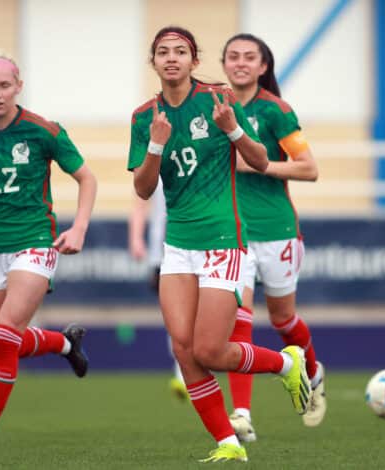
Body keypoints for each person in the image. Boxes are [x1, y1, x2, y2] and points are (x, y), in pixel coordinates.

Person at [128, 26, 311, 463]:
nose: (171, 58)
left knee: (211, 349)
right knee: (183, 349)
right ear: (153, 62)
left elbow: (262, 160)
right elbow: (142, 188)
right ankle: (228, 443)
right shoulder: (143, 117)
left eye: (181, 52)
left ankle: (287, 365)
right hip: (178, 245)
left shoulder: (219, 100)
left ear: (195, 60)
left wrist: (232, 129)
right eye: (163, 52)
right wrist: (156, 143)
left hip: (224, 241)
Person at [0, 50, 98, 448]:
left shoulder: (42, 131)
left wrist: (79, 227)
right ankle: (66, 344)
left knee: (7, 333)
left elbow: (87, 178)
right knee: (1, 341)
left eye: (4, 85)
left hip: (33, 244)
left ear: (18, 87)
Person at [219, 33, 324, 442]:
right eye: (233, 57)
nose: (241, 63)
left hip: (277, 230)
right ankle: (241, 414)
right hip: (233, 234)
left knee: (283, 320)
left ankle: (313, 377)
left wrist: (258, 167)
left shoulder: (276, 111)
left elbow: (309, 168)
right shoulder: (214, 108)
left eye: (250, 58)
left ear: (263, 66)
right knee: (238, 321)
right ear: (225, 64)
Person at [127, 181, 187, 400]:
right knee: (176, 319)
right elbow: (140, 203)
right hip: (162, 254)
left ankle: (187, 370)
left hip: (195, 249)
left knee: (195, 318)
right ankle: (182, 373)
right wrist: (136, 239)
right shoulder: (155, 163)